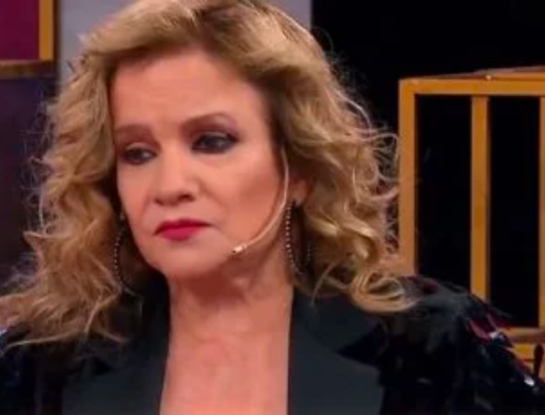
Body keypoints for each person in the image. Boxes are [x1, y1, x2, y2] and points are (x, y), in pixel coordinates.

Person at [1, 0, 544, 414]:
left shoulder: (429, 351)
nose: (169, 186)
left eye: (211, 142)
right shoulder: (43, 366)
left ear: (299, 167)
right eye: (137, 153)